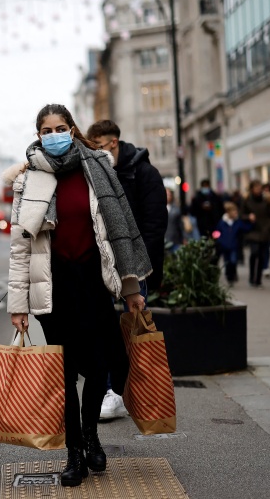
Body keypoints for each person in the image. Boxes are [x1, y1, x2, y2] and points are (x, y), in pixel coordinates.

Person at [5, 104, 151, 488]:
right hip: (55, 289)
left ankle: (91, 437)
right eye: (46, 129)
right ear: (39, 135)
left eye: (60, 127)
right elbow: (20, 248)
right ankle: (74, 452)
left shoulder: (98, 167)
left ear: (72, 129)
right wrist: (18, 306)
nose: (54, 134)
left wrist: (133, 289)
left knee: (99, 367)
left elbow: (121, 230)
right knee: (66, 375)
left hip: (94, 282)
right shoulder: (29, 180)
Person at [85, 119, 167, 421]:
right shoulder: (98, 173)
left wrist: (148, 268)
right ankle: (113, 391)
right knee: (106, 330)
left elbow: (155, 225)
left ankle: (139, 390)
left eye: (98, 146)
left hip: (135, 266)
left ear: (113, 143)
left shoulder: (144, 173)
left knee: (135, 330)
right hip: (105, 265)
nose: (96, 152)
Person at [241, 180, 270, 288]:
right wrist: (248, 217)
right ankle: (252, 277)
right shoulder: (247, 201)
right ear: (252, 189)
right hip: (252, 231)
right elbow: (241, 215)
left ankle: (258, 279)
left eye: (260, 188)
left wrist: (269, 228)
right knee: (254, 253)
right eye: (256, 188)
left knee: (261, 255)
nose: (259, 190)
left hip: (264, 231)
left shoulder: (266, 201)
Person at [214, 202, 251, 285]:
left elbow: (245, 228)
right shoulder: (222, 222)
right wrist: (218, 239)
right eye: (234, 212)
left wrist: (251, 222)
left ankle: (233, 274)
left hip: (233, 245)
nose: (235, 214)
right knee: (227, 262)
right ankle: (229, 277)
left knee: (233, 261)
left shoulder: (237, 222)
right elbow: (217, 231)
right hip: (224, 245)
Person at [164, 188, 184, 253]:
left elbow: (180, 225)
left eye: (169, 194)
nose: (168, 196)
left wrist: (183, 238)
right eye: (166, 194)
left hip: (174, 239)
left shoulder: (176, 210)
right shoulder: (158, 208)